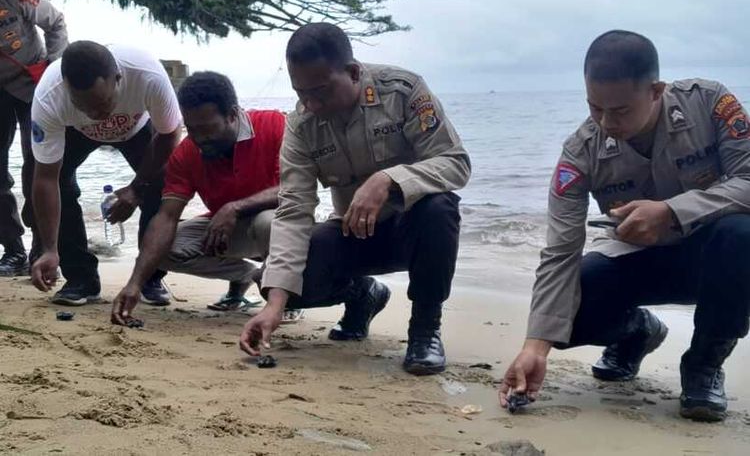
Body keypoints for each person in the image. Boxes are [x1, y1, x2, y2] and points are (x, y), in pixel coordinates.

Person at [499, 30, 750, 422]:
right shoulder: (581, 150)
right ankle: (637, 332)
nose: (606, 122)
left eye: (619, 111)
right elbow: (560, 252)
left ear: (656, 91)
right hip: (639, 259)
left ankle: (704, 366)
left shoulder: (710, 103)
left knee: (741, 235)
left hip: (715, 257)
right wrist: (535, 347)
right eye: (595, 108)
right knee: (568, 308)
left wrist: (671, 211)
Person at [239, 23, 471, 375]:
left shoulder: (403, 92)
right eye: (301, 93)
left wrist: (389, 180)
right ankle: (363, 295)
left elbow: (455, 163)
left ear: (352, 72)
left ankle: (425, 330)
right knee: (277, 283)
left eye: (321, 91)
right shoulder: (301, 125)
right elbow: (293, 211)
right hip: (354, 233)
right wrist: (275, 306)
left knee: (439, 207)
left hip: (415, 231)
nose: (312, 104)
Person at [111, 71, 284, 323]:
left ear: (233, 114)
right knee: (161, 250)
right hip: (228, 231)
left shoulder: (274, 125)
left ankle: (282, 296)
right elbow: (166, 217)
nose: (200, 139)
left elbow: (296, 190)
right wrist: (135, 283)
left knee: (267, 222)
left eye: (208, 129)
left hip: (283, 228)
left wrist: (234, 208)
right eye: (191, 129)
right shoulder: (186, 153)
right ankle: (247, 275)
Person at [30, 41, 182, 306]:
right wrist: (49, 248)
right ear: (66, 88)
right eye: (83, 105)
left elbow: (169, 136)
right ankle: (80, 279)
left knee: (164, 182)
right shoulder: (49, 96)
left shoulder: (147, 75)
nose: (95, 114)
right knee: (62, 185)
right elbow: (45, 178)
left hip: (136, 129)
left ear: (118, 79)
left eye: (102, 103)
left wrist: (136, 188)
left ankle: (150, 276)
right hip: (76, 133)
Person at [0, 0, 67, 276]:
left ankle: (42, 247)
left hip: (33, 83)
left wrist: (55, 70)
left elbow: (56, 23)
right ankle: (12, 249)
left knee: (39, 165)